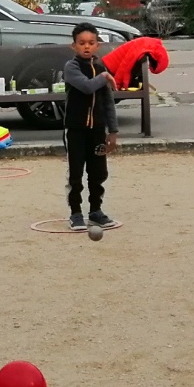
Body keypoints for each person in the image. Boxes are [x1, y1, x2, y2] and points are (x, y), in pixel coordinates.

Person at [63, 22, 119, 231]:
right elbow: (87, 87)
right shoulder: (72, 67)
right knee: (76, 172)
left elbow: (108, 103)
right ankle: (75, 213)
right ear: (74, 46)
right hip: (76, 129)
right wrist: (103, 77)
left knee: (98, 172)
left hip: (97, 131)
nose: (86, 47)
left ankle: (96, 211)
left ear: (97, 45)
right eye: (82, 43)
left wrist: (112, 131)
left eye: (91, 43)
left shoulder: (102, 68)